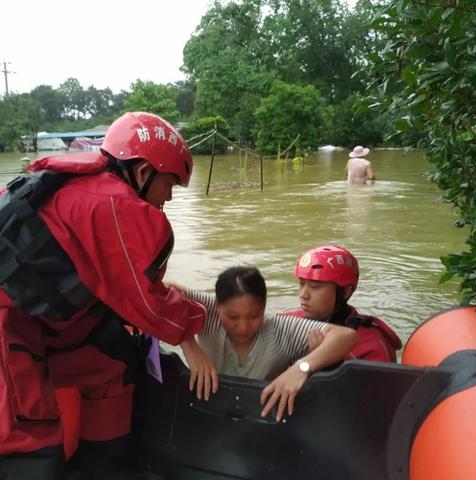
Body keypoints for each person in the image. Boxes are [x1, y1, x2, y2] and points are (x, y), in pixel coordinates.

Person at [0, 112, 217, 480]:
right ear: (144, 172)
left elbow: (118, 290)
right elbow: (147, 301)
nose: (168, 197)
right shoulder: (119, 206)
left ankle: (106, 467)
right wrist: (194, 337)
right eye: (169, 184)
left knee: (113, 357)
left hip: (40, 321)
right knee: (31, 439)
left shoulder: (82, 187)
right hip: (10, 329)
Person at [169, 266, 358, 422]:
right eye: (232, 317)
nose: (243, 327)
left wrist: (302, 368)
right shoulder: (207, 312)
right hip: (211, 411)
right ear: (217, 306)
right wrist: (188, 342)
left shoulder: (281, 329)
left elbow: (347, 336)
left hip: (264, 418)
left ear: (265, 306)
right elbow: (163, 291)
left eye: (253, 316)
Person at [286, 245, 401, 362]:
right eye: (301, 284)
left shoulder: (371, 345)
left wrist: (323, 360)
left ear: (345, 292)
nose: (303, 295)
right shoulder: (288, 323)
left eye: (315, 287)